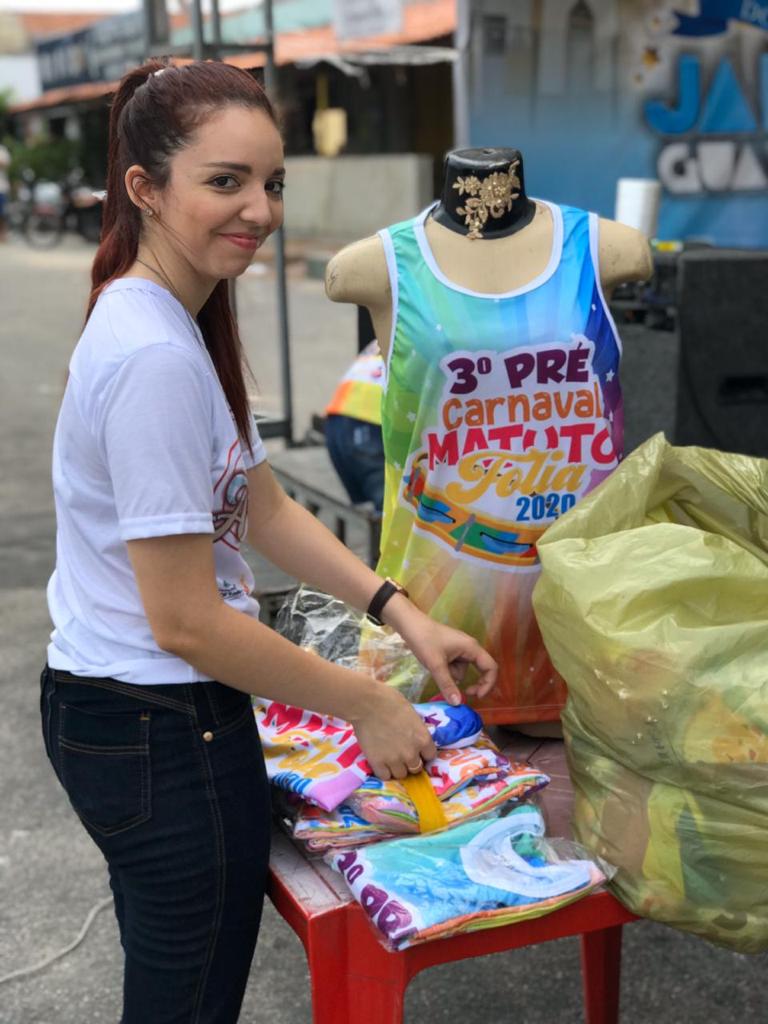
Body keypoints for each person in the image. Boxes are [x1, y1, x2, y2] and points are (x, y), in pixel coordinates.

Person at [39, 59, 497, 1024]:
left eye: (273, 181)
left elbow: (266, 508)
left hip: (133, 715)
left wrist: (401, 614)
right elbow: (187, 622)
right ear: (144, 187)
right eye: (225, 181)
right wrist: (365, 702)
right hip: (159, 725)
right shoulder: (154, 355)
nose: (260, 209)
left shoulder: (174, 316)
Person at [324, 339, 385, 511]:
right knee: (391, 508)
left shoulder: (393, 330)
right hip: (369, 421)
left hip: (337, 416)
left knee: (371, 508)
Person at [0, 142, 11, 242]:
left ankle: (3, 234)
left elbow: (5, 164)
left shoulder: (2, 150)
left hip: (1, 188)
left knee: (2, 213)